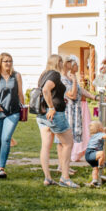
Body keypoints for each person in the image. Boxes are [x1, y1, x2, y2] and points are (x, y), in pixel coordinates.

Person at [37, 54, 78, 188]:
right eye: (62, 61)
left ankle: (47, 177)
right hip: (54, 114)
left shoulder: (44, 74)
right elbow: (45, 90)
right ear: (58, 62)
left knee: (45, 146)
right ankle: (65, 177)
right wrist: (51, 107)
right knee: (68, 143)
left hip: (42, 115)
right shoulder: (54, 74)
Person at [0, 53, 23, 179]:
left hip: (13, 112)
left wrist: (24, 108)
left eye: (10, 61)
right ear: (0, 63)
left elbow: (20, 94)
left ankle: (2, 168)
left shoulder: (16, 76)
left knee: (6, 138)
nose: (8, 63)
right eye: (6, 61)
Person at [63, 57, 93, 163]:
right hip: (69, 111)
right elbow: (73, 95)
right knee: (68, 137)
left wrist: (94, 97)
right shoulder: (64, 79)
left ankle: (67, 163)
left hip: (76, 110)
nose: (78, 67)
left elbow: (80, 90)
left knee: (74, 136)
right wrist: (75, 80)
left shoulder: (71, 77)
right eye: (76, 65)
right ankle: (64, 164)